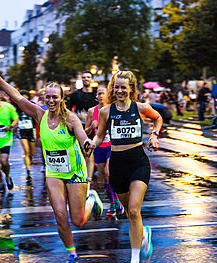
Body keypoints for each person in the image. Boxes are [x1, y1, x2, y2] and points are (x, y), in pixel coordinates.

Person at [0, 61, 103, 263]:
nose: (51, 100)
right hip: (54, 172)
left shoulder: (70, 118)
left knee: (78, 220)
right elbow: (16, 97)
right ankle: (72, 254)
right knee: (60, 215)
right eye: (48, 97)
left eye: (55, 97)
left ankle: (92, 200)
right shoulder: (40, 114)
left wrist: (88, 142)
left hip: (75, 171)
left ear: (62, 98)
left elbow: (82, 136)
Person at [89, 71, 163, 263]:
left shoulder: (140, 108)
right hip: (117, 164)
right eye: (117, 87)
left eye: (124, 87)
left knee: (133, 210)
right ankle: (143, 233)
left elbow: (158, 118)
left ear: (131, 88)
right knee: (129, 213)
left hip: (138, 161)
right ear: (113, 89)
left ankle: (135, 258)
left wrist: (154, 135)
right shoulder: (106, 111)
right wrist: (91, 143)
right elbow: (100, 135)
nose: (120, 90)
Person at [85, 86, 124, 217]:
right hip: (99, 147)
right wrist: (92, 126)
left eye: (104, 93)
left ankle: (117, 200)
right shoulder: (92, 111)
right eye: (99, 93)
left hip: (112, 146)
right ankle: (113, 202)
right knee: (104, 176)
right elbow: (85, 133)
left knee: (108, 172)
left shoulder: (113, 109)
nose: (101, 96)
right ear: (96, 95)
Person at [67, 71, 97, 182]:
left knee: (90, 151)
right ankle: (83, 175)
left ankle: (88, 178)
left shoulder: (96, 93)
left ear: (92, 79)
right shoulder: (75, 94)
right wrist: (75, 116)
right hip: (80, 126)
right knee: (83, 151)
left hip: (94, 126)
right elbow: (68, 110)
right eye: (84, 77)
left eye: (88, 77)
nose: (86, 79)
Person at [16, 90, 36, 178]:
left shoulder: (33, 105)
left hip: (31, 130)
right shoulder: (17, 106)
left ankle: (29, 160)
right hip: (22, 130)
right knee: (26, 151)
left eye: (26, 96)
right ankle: (28, 171)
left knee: (32, 152)